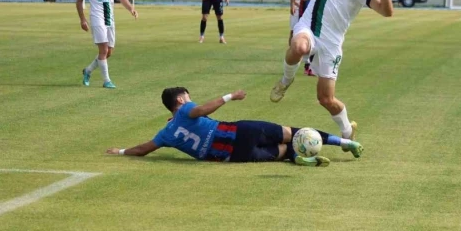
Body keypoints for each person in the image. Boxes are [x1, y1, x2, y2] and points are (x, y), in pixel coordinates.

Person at [270, 0, 393, 142]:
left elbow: (386, 11)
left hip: (330, 44)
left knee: (326, 99)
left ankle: (347, 131)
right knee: (299, 46)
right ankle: (285, 80)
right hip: (308, 28)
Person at [104, 86, 364, 166]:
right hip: (239, 131)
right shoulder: (184, 109)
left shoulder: (166, 133)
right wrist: (230, 97)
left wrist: (123, 151)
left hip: (232, 155)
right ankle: (345, 142)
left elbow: (144, 149)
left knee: (281, 152)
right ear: (181, 99)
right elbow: (201, 110)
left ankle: (300, 157)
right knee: (293, 133)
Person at [76, 0, 138, 89]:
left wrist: (131, 8)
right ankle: (106, 81)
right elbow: (79, 1)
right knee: (103, 50)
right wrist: (82, 19)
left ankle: (88, 71)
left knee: (108, 52)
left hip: (110, 19)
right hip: (97, 19)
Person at [289, 0, 323, 75]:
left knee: (316, 39)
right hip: (303, 13)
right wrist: (292, 4)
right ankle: (307, 65)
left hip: (318, 13)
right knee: (301, 36)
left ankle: (310, 65)